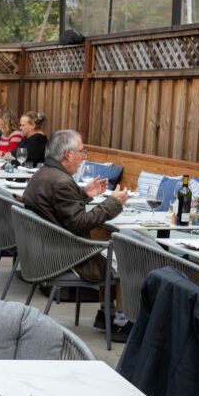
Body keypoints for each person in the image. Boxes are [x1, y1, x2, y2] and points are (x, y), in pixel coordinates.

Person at [22, 130, 129, 335]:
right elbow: (80, 224)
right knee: (127, 257)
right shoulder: (61, 182)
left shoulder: (44, 175)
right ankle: (120, 322)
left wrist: (84, 194)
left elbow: (59, 210)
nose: (85, 156)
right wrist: (113, 204)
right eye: (82, 151)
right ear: (68, 154)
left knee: (113, 253)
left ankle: (105, 313)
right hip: (68, 257)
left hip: (47, 251)